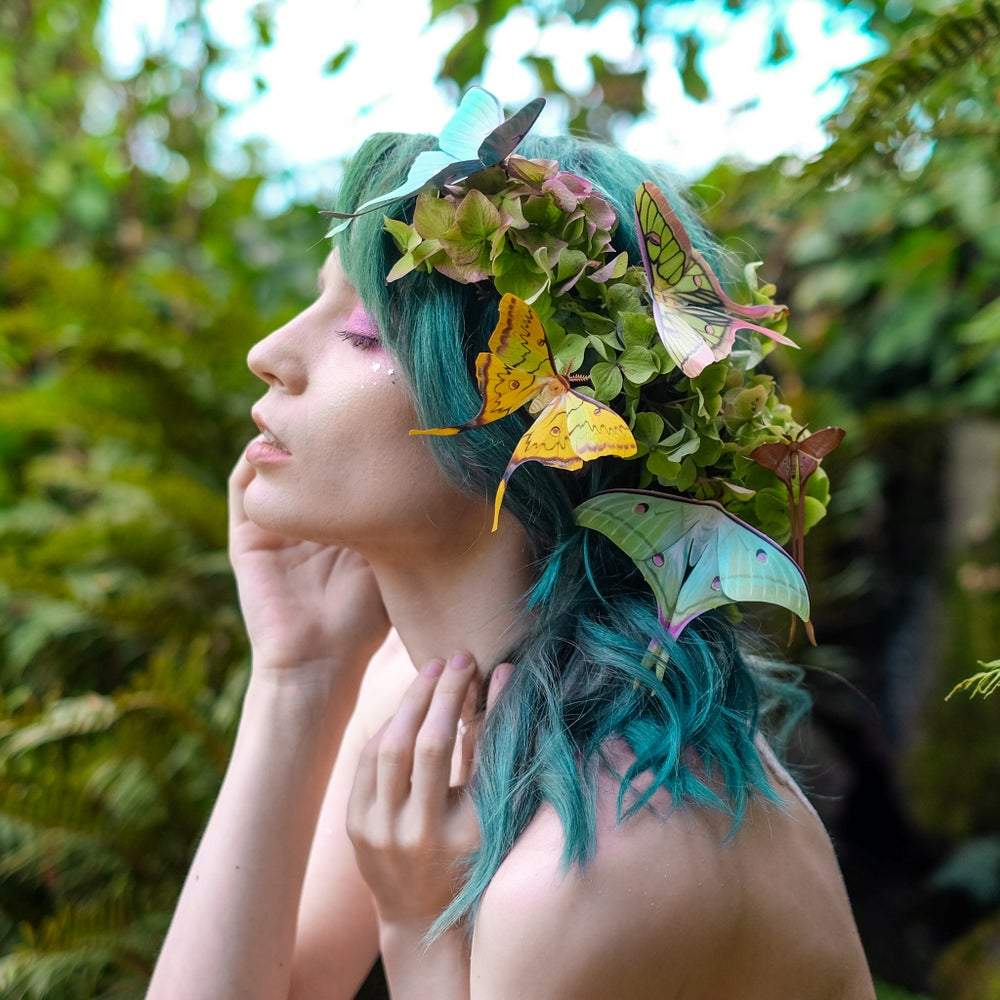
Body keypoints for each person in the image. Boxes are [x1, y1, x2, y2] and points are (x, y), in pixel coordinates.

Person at [147, 103, 876, 999]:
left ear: (529, 428)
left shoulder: (604, 863)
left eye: (363, 332)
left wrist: (417, 928)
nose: (269, 353)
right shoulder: (414, 696)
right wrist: (298, 676)